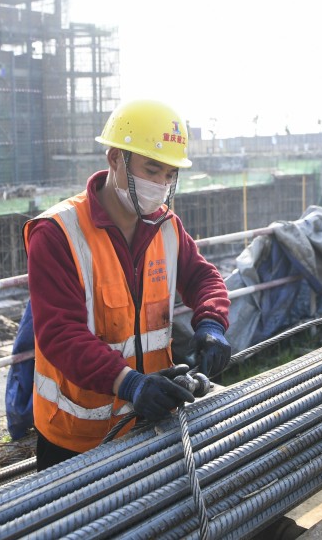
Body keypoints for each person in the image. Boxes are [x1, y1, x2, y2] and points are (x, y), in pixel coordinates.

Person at [24, 99, 231, 470]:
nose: (161, 186)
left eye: (170, 175)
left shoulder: (166, 227)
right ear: (115, 158)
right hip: (76, 435)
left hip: (149, 419)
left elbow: (203, 277)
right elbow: (60, 333)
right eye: (152, 170)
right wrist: (128, 383)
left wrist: (212, 324)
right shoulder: (57, 233)